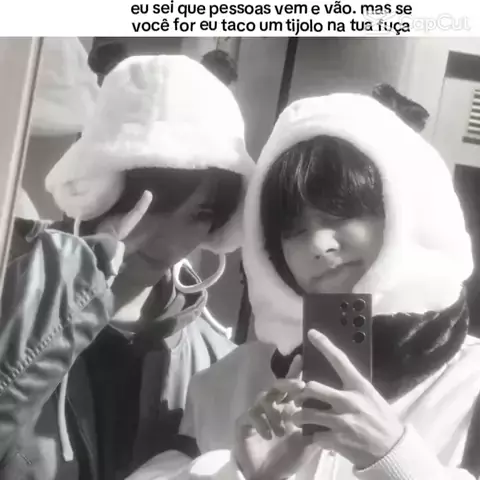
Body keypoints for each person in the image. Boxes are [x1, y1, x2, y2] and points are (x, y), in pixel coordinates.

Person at [128, 93, 480, 480]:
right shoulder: (226, 384)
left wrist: (392, 458)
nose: (318, 244)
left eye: (341, 213)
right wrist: (240, 474)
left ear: (404, 211)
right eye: (294, 230)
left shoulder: (470, 384)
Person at [0, 54, 254, 480]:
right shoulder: (14, 295)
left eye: (200, 214)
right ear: (102, 187)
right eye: (154, 205)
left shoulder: (215, 363)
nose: (172, 240)